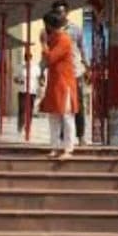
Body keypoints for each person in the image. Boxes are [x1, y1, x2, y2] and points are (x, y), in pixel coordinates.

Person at [39, 9, 78, 158]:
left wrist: (43, 44)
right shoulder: (54, 39)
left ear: (49, 25)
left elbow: (50, 58)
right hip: (54, 83)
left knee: (66, 116)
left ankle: (68, 148)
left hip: (64, 83)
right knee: (53, 116)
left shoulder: (63, 40)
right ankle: (54, 147)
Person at [52, 1, 89, 146]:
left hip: (75, 71)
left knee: (78, 104)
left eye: (61, 12)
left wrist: (86, 63)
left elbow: (82, 48)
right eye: (56, 12)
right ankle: (62, 137)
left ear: (66, 13)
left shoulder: (75, 29)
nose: (59, 15)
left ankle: (80, 136)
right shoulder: (51, 29)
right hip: (59, 72)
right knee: (60, 104)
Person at [13, 50, 42, 134]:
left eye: (29, 58)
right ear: (25, 59)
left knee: (30, 110)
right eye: (26, 58)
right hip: (22, 91)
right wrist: (19, 81)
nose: (28, 60)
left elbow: (40, 78)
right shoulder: (20, 67)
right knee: (22, 109)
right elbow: (15, 78)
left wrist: (41, 83)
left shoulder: (36, 68)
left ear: (31, 58)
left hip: (32, 92)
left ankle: (28, 127)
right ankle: (20, 126)